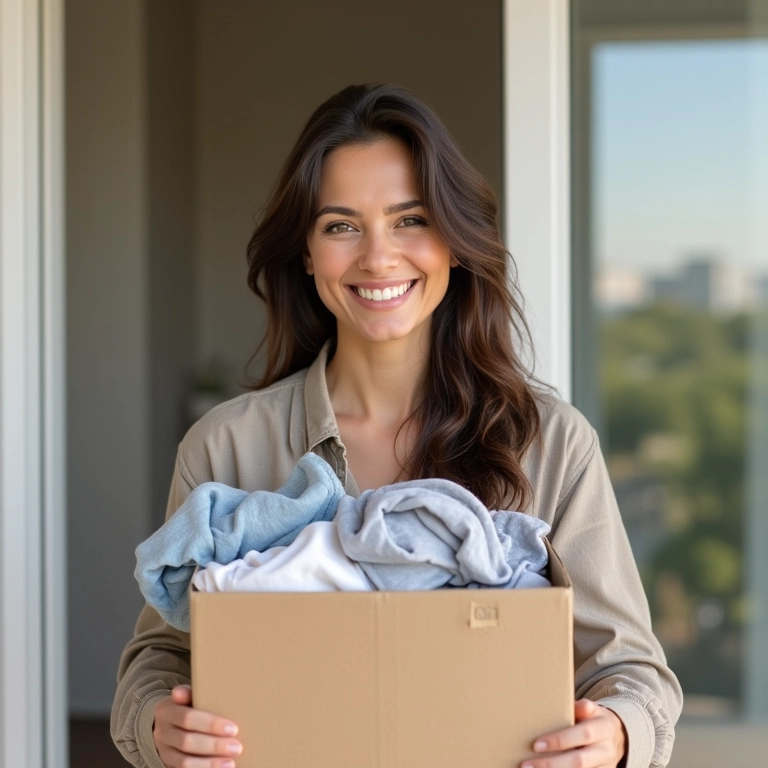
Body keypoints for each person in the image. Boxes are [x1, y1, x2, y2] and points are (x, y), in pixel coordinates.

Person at [111, 84, 682, 768]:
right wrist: (156, 727)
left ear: (456, 240)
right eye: (341, 225)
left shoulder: (551, 442)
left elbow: (631, 672)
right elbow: (160, 658)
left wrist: (615, 734)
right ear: (306, 252)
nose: (378, 258)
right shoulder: (227, 445)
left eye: (410, 219)